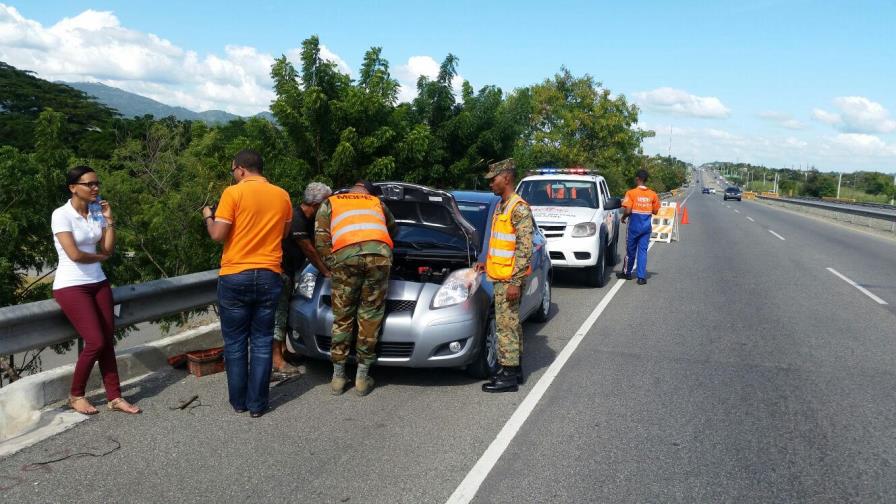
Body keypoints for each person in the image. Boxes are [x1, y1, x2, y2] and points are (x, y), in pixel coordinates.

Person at [201, 150, 292, 417]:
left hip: (236, 274)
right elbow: (284, 233)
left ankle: (239, 402)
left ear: (240, 170)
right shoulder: (282, 195)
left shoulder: (233, 193)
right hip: (268, 273)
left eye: (233, 171)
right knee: (263, 341)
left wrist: (208, 216)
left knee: (236, 341)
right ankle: (257, 405)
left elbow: (218, 235)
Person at [52, 165, 140, 415]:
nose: (95, 188)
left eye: (96, 183)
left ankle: (115, 397)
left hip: (98, 283)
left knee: (107, 341)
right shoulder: (61, 214)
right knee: (95, 340)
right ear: (73, 188)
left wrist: (109, 220)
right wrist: (100, 257)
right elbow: (75, 254)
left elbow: (108, 249)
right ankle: (76, 395)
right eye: (89, 184)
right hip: (71, 285)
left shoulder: (95, 212)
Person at [315, 180, 398, 397]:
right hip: (379, 258)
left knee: (343, 317)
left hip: (345, 259)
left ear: (350, 190)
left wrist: (332, 264)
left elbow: (321, 240)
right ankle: (362, 378)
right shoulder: (376, 202)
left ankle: (338, 377)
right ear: (367, 193)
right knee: (370, 315)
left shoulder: (331, 202)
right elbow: (393, 229)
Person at [473, 159, 534, 393]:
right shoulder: (501, 205)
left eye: (493, 179)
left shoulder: (518, 208)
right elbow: (499, 243)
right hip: (500, 275)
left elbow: (524, 248)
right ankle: (514, 369)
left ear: (506, 178)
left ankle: (507, 375)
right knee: (511, 324)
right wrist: (485, 263)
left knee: (505, 327)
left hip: (510, 279)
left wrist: (515, 282)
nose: (491, 183)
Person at [272, 181, 333, 379]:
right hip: (278, 271)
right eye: (327, 203)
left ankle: (283, 352)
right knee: (279, 316)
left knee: (285, 312)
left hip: (288, 271)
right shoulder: (297, 218)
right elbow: (310, 250)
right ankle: (277, 361)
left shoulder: (309, 220)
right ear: (317, 204)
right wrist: (326, 272)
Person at [620, 169, 660, 285]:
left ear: (637, 178)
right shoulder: (653, 194)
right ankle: (641, 278)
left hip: (634, 226)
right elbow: (656, 211)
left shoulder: (631, 193)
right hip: (646, 227)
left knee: (630, 250)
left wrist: (623, 218)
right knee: (642, 251)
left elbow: (627, 210)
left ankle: (627, 273)